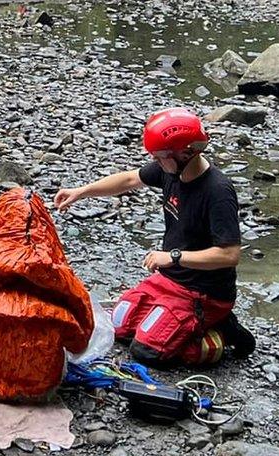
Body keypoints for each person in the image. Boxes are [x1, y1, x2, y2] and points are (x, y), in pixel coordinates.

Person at [54, 107, 255, 365]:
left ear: (187, 152)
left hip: (204, 293)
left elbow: (229, 254)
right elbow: (128, 180)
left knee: (147, 351)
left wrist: (173, 257)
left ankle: (224, 331)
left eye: (160, 157)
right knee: (118, 325)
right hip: (170, 280)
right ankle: (177, 322)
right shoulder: (171, 169)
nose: (156, 162)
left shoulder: (217, 191)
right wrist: (81, 192)